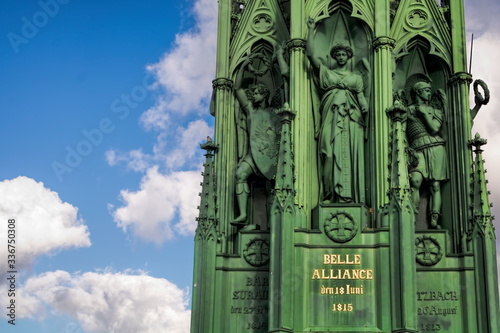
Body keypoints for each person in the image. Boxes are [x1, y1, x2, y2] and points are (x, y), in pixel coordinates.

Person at [306, 17, 369, 204]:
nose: (341, 57)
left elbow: (362, 99)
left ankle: (346, 196)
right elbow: (310, 55)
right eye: (338, 54)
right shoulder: (327, 72)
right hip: (329, 117)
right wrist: (310, 30)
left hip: (350, 121)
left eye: (344, 54)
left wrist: (365, 106)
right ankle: (329, 194)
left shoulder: (356, 78)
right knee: (328, 153)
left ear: (348, 56)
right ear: (335, 56)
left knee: (346, 154)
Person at [231, 55, 280, 226]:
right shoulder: (251, 110)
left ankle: (274, 222)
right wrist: (244, 64)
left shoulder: (275, 113)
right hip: (254, 153)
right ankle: (243, 215)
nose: (254, 96)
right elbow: (237, 88)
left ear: (264, 95)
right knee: (240, 174)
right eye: (253, 94)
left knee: (272, 187)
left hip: (270, 154)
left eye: (257, 93)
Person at [406, 80, 448, 228]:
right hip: (417, 149)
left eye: (430, 90)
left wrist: (424, 114)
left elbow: (434, 129)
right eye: (427, 90)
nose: (429, 93)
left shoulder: (435, 111)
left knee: (435, 186)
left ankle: (434, 219)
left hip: (436, 148)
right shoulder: (408, 110)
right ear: (418, 92)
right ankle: (410, 216)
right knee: (415, 180)